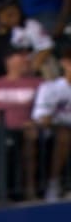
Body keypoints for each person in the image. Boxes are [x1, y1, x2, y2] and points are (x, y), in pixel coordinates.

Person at [0, 44, 43, 199]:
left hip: (23, 131)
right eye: (22, 56)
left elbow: (46, 110)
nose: (27, 60)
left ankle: (29, 189)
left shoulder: (38, 84)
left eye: (28, 56)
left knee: (28, 140)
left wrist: (35, 123)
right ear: (9, 61)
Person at [0, 0, 54, 89]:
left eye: (16, 13)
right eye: (9, 15)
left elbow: (46, 47)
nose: (14, 18)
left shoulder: (30, 26)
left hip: (27, 80)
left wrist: (30, 70)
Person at [33, 44, 71, 201]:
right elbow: (41, 116)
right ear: (65, 63)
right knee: (64, 135)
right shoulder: (50, 88)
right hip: (53, 134)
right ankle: (53, 183)